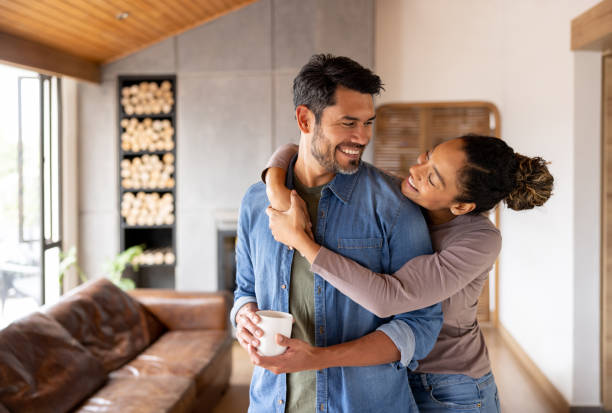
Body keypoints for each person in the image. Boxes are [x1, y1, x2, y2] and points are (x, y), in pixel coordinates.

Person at [262, 134, 553, 412]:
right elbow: (293, 150)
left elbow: (389, 296)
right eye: (427, 157)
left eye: (432, 177)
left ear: (462, 206)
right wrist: (277, 189)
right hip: (389, 374)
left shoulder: (479, 240)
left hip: (449, 388)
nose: (415, 170)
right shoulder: (400, 195)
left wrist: (300, 241)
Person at [231, 54, 443, 413]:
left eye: (368, 123)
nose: (361, 137)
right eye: (348, 123)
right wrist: (244, 318)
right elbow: (245, 289)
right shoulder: (256, 201)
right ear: (304, 118)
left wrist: (319, 358)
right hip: (271, 402)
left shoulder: (393, 205)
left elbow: (420, 324)